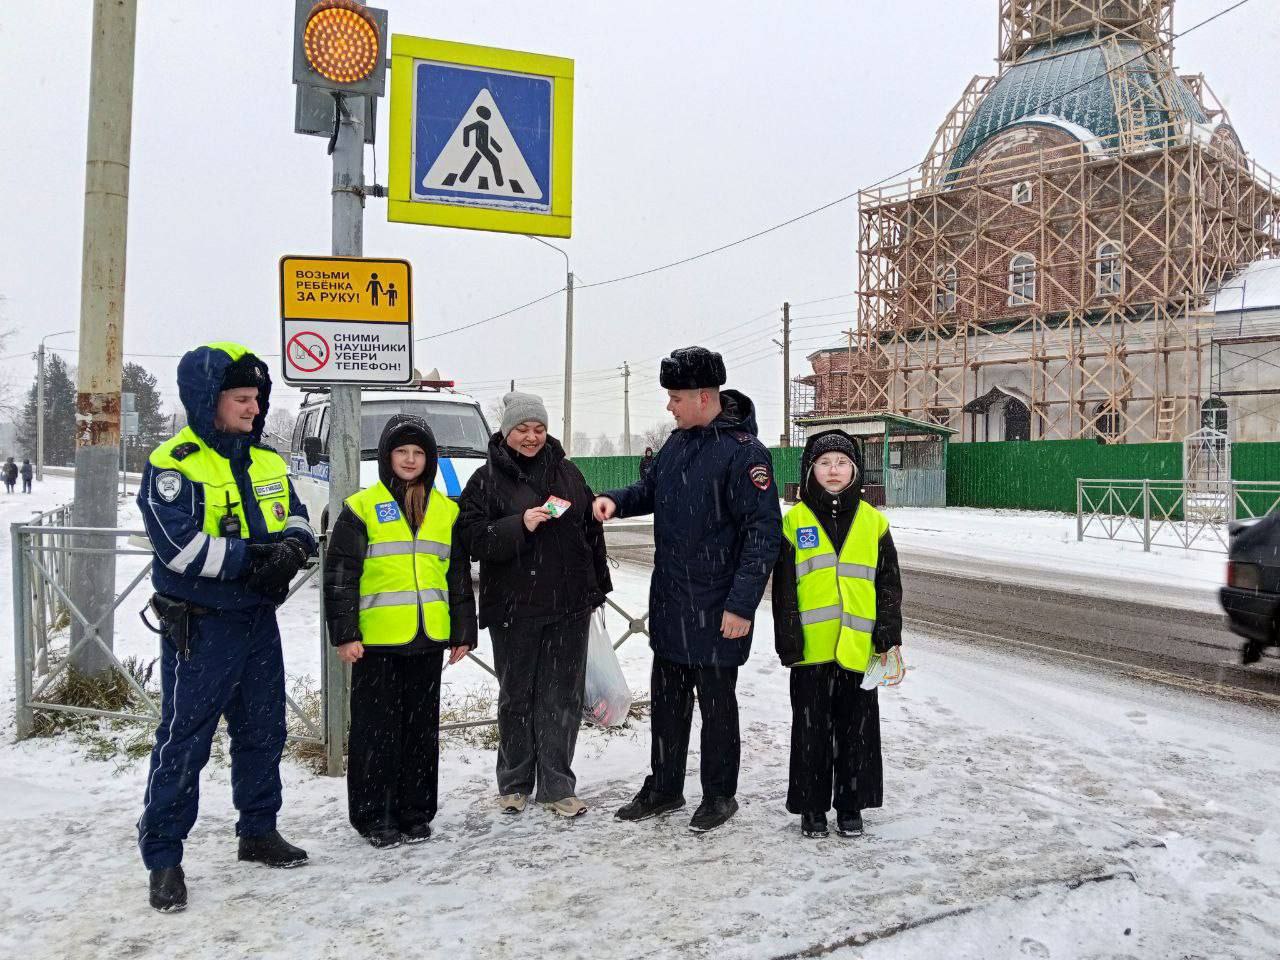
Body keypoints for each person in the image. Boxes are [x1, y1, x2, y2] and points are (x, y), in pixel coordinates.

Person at [136, 342, 318, 913]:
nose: (254, 408)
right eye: (242, 398)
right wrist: (252, 560)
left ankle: (258, 830)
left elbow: (298, 516)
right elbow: (178, 547)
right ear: (207, 400)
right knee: (185, 741)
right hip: (202, 628)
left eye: (257, 397)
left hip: (258, 621)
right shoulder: (174, 463)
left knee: (264, 730)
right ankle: (164, 857)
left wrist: (293, 548)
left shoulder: (268, 461)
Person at [593, 347, 781, 832]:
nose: (669, 406)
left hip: (719, 609)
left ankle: (719, 796)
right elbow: (650, 491)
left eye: (676, 398)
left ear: (703, 396)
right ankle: (664, 788)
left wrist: (741, 606)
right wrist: (614, 500)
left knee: (718, 710)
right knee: (667, 707)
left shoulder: (744, 454)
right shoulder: (677, 444)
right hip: (672, 603)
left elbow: (763, 537)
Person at [324, 415, 477, 849]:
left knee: (420, 732)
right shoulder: (361, 507)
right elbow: (341, 577)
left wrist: (463, 631)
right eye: (401, 451)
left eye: (418, 453)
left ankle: (415, 811)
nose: (410, 460)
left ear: (430, 459)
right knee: (375, 732)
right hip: (376, 642)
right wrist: (345, 634)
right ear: (387, 457)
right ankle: (374, 815)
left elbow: (457, 577)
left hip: (427, 638)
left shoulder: (446, 510)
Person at [458, 391, 613, 818]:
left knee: (562, 699)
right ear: (506, 431)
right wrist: (518, 525)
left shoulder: (568, 473)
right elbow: (472, 538)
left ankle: (558, 785)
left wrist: (597, 588)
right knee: (517, 698)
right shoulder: (485, 480)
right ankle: (514, 783)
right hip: (514, 610)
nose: (531, 437)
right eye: (523, 429)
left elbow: (590, 532)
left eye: (539, 428)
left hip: (568, 607)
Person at [771, 430, 902, 839]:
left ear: (855, 470)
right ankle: (812, 808)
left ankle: (850, 805)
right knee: (810, 732)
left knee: (856, 731)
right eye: (825, 462)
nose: (834, 470)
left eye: (842, 463)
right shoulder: (794, 521)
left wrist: (888, 630)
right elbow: (784, 589)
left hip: (858, 648)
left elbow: (888, 584)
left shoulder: (873, 522)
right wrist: (788, 637)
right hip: (811, 650)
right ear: (811, 470)